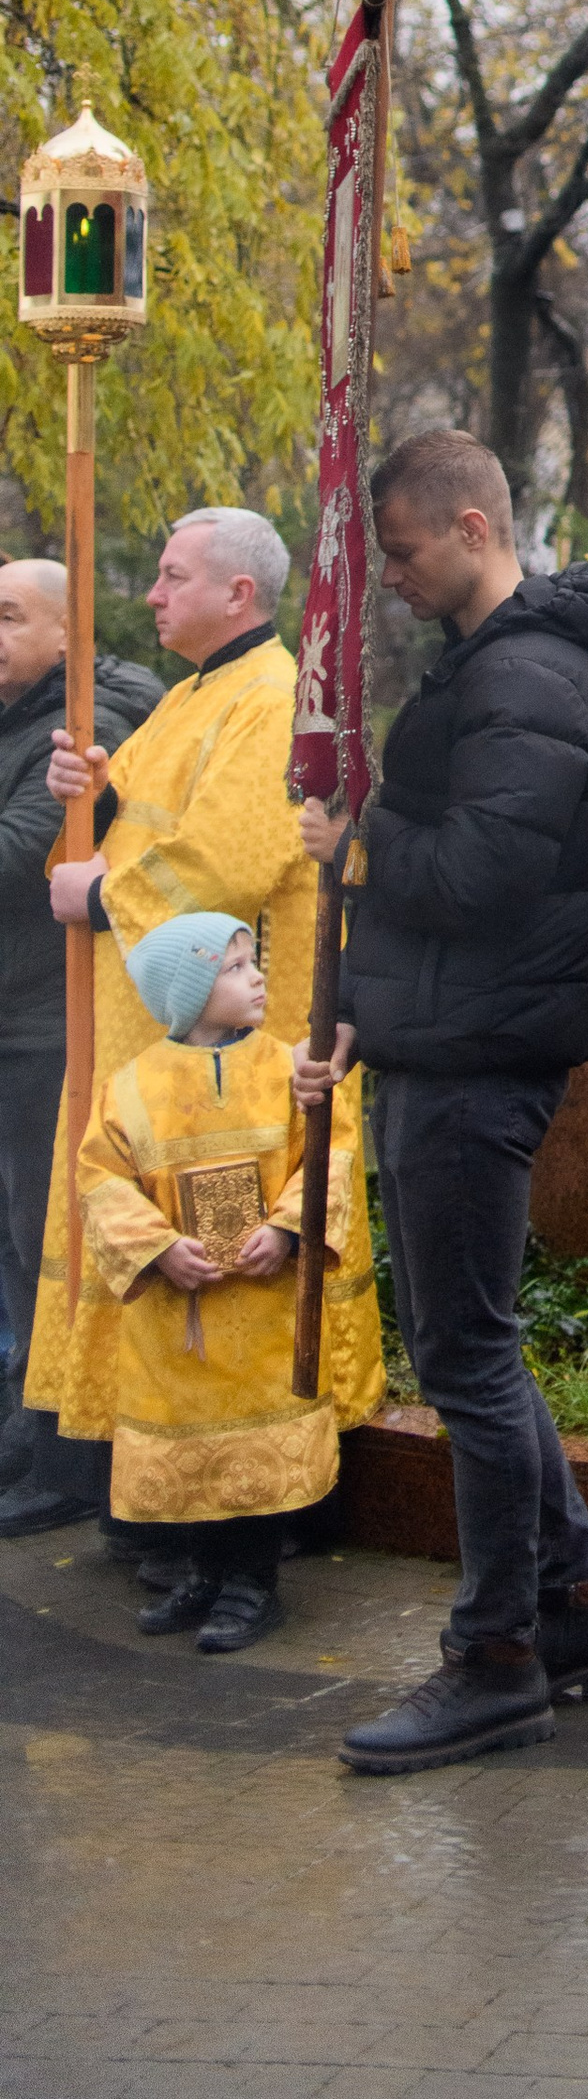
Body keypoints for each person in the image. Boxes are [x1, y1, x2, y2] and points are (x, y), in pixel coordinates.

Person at [293, 427, 588, 1774]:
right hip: (454, 1039)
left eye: (399, 550)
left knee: (468, 1362)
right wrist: (353, 1008)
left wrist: (362, 841)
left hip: (481, 1057)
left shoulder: (532, 676)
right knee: (477, 1351)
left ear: (469, 525)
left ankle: (496, 1658)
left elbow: (481, 881)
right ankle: (580, 1613)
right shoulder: (496, 665)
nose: (388, 576)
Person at [5, 509, 384, 1545]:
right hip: (143, 1028)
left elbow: (228, 858)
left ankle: (242, 1521)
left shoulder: (270, 700)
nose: (152, 595)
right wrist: (87, 797)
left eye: (172, 577)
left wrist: (97, 891)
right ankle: (111, 1465)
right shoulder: (185, 697)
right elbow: (132, 831)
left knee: (225, 1263)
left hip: (231, 1033)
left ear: (239, 595)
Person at [78, 911, 355, 1651]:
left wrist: (290, 1227)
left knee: (254, 1451)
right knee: (193, 1449)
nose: (257, 975)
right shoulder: (133, 1087)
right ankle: (202, 1574)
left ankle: (253, 1582)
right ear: (187, 991)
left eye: (251, 960)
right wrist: (158, 1248)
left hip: (264, 1311)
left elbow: (328, 1151)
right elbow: (101, 1180)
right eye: (233, 967)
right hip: (179, 1316)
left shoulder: (289, 1071)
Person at [0, 558, 159, 1506]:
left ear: (69, 635)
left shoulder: (91, 721)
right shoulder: (16, 714)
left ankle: (62, 1448)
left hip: (44, 1024)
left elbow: (25, 850)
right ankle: (25, 1422)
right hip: (10, 1007)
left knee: (39, 1235)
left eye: (8, 617)